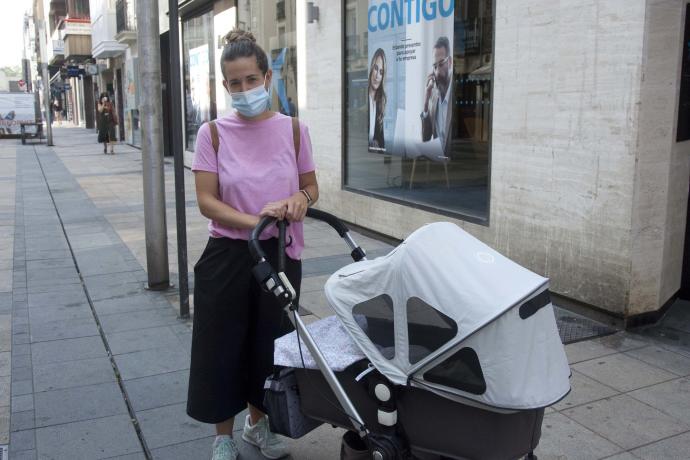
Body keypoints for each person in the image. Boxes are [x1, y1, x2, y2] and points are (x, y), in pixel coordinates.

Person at [186, 29, 318, 460]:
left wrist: (301, 199)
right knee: (221, 345)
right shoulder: (213, 134)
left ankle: (257, 427)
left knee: (272, 342)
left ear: (267, 77)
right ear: (225, 87)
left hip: (280, 253)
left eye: (251, 80)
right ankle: (222, 436)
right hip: (228, 255)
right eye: (234, 83)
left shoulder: (295, 131)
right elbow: (207, 201)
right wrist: (257, 222)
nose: (244, 90)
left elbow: (311, 186)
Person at [421, 36, 453, 151]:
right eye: (435, 66)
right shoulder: (433, 98)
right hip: (438, 166)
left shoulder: (456, 96)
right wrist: (426, 102)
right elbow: (425, 139)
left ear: (449, 62)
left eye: (441, 64)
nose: (437, 72)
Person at [368, 48, 386, 151]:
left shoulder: (379, 102)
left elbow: (381, 142)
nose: (377, 76)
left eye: (381, 72)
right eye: (375, 68)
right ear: (371, 68)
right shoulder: (365, 98)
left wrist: (377, 144)